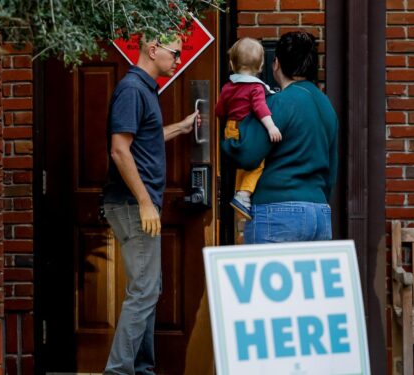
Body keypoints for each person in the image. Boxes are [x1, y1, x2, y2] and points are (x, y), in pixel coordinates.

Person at [102, 34, 200, 375]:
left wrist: (181, 128)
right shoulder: (132, 89)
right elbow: (119, 149)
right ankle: (119, 371)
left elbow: (144, 139)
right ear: (152, 50)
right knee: (144, 291)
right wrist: (145, 202)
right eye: (175, 53)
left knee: (148, 289)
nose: (178, 60)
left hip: (137, 204)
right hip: (132, 204)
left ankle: (142, 369)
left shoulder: (144, 90)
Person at [221, 31, 338, 243]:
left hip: (277, 211)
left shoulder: (278, 103)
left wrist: (228, 140)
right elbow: (332, 168)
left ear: (276, 64)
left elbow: (247, 154)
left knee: (263, 277)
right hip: (320, 212)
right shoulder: (326, 106)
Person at [216, 37, 282, 219]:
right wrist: (271, 127)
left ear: (231, 63)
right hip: (247, 131)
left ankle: (240, 195)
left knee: (241, 165)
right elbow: (261, 108)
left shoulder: (228, 86)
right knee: (257, 163)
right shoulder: (256, 88)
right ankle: (244, 194)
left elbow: (219, 110)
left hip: (231, 128)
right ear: (261, 66)